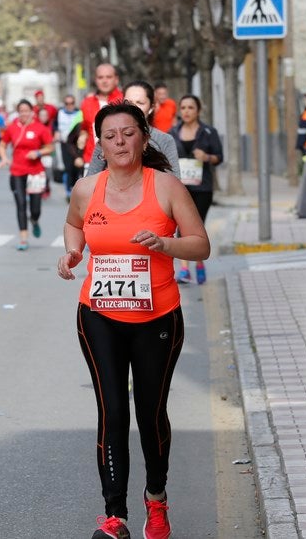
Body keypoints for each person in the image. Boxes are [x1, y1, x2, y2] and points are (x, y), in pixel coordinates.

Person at [57, 102, 210, 539]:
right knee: (112, 410)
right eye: (110, 136)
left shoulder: (166, 187)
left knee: (150, 410)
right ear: (100, 145)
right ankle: (115, 515)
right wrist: (73, 251)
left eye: (128, 133)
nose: (120, 142)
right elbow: (73, 224)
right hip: (99, 316)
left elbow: (200, 245)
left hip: (157, 316)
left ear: (144, 138)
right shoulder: (87, 189)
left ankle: (156, 499)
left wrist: (164, 244)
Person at [169, 94, 222, 285]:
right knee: (182, 226)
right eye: (183, 108)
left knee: (196, 227)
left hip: (202, 188)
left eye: (190, 107)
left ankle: (199, 263)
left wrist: (206, 157)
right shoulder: (173, 133)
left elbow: (219, 157)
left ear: (198, 111)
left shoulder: (208, 132)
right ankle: (184, 269)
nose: (186, 111)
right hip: (179, 188)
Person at [88, 80, 180, 178]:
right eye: (129, 102)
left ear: (151, 107)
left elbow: (175, 181)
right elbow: (90, 179)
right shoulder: (108, 137)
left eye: (140, 103)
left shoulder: (164, 139)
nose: (134, 107)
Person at [0, 99, 54, 250]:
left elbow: (50, 147)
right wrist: (4, 158)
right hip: (17, 171)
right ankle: (23, 238)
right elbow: (2, 145)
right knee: (21, 204)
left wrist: (37, 152)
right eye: (21, 111)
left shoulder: (40, 128)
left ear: (32, 112)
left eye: (26, 110)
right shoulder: (12, 128)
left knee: (35, 208)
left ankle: (34, 220)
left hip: (36, 171)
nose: (23, 113)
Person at [79, 63, 123, 169]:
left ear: (116, 79)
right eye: (100, 77)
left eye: (108, 77)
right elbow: (84, 129)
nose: (104, 81)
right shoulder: (86, 102)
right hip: (91, 161)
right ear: (96, 80)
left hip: (119, 161)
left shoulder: (125, 100)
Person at [56, 95, 83, 201]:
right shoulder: (60, 113)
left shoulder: (79, 113)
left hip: (77, 145)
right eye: (67, 103)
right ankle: (68, 191)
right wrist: (55, 132)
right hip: (64, 144)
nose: (69, 106)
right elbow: (54, 125)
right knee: (68, 168)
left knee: (77, 168)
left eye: (71, 103)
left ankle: (75, 190)